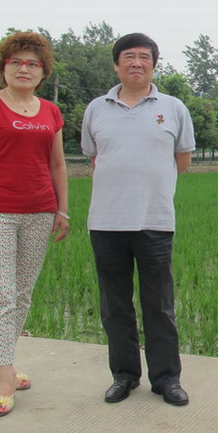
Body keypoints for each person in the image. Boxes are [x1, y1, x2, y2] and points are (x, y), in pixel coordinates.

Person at [81, 33, 195, 407]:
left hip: (154, 222)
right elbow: (95, 158)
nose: (136, 63)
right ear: (116, 65)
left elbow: (181, 161)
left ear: (153, 65)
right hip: (106, 223)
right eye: (128, 56)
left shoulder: (174, 107)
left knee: (159, 305)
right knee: (115, 306)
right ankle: (124, 375)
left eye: (144, 57)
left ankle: (166, 379)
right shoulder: (96, 109)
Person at [0, 32, 69, 418]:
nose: (24, 68)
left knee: (22, 295)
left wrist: (62, 210)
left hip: (39, 211)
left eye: (33, 63)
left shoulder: (50, 112)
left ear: (42, 71)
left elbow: (57, 163)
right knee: (1, 295)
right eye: (16, 62)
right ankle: (6, 376)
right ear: (3, 68)